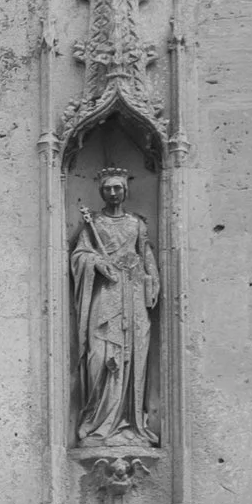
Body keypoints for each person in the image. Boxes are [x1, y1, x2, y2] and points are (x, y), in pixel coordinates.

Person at [69, 167, 161, 445]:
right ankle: (98, 421)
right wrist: (97, 263)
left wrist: (151, 283)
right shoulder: (92, 224)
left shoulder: (137, 224)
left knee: (133, 355)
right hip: (106, 294)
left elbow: (147, 258)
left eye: (117, 188)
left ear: (125, 190)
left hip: (132, 295)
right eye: (107, 188)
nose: (112, 193)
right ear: (101, 191)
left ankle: (130, 422)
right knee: (100, 356)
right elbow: (80, 256)